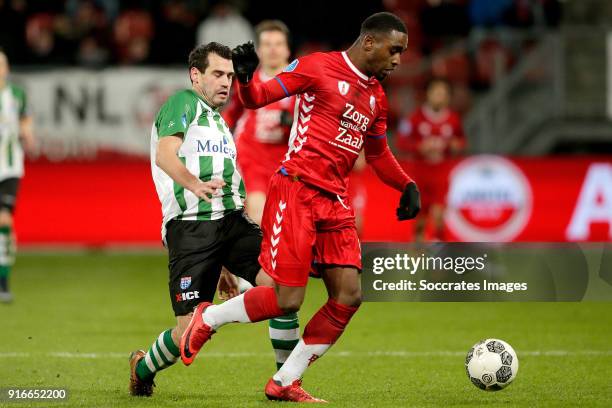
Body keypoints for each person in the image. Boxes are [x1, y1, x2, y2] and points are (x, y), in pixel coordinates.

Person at [179, 12, 421, 403]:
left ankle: (285, 380)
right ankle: (206, 318)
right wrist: (244, 77)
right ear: (370, 42)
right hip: (297, 191)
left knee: (348, 295)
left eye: (402, 53)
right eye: (394, 50)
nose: (397, 59)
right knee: (286, 299)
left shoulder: (377, 96)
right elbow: (257, 98)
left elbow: (377, 154)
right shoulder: (317, 67)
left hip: (335, 201)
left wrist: (406, 183)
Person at [128, 42, 300, 397]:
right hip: (190, 227)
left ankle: (286, 381)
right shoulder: (182, 103)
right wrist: (195, 184)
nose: (226, 82)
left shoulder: (221, 123)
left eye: (230, 76)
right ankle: (142, 367)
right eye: (218, 74)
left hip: (231, 221)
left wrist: (224, 260)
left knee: (283, 284)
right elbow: (164, 155)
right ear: (196, 75)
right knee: (188, 331)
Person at [222, 19, 299, 369]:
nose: (270, 49)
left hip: (287, 165)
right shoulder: (249, 78)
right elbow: (233, 114)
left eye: (276, 44)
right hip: (252, 158)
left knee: (284, 240)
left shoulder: (299, 80)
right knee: (256, 213)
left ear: (286, 49)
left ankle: (258, 285)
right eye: (264, 43)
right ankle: (248, 279)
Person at [396, 77, 466, 242]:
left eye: (442, 93)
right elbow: (401, 142)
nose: (438, 96)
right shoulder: (415, 118)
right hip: (420, 174)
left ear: (447, 97)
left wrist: (455, 145)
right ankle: (417, 253)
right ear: (428, 94)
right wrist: (419, 147)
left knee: (438, 216)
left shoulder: (453, 119)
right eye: (436, 93)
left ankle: (440, 256)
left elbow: (461, 141)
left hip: (441, 174)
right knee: (420, 220)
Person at [0, 49, 35, 303]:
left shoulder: (16, 95)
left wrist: (27, 134)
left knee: (4, 221)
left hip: (10, 167)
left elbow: (25, 120)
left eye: (2, 64)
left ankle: (3, 281)